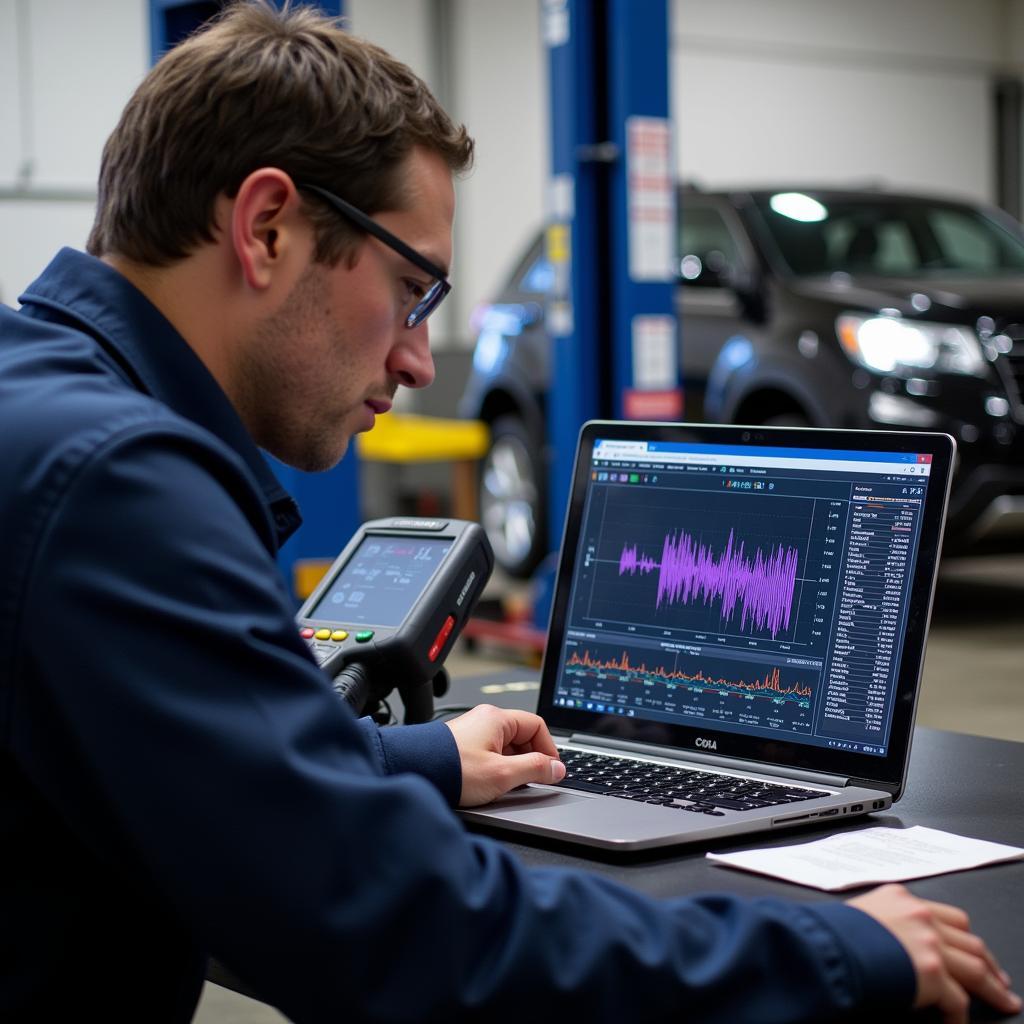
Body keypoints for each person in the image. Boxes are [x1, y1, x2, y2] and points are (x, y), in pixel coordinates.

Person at [0, 3, 1018, 1022]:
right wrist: (840, 950)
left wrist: (425, 754)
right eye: (411, 289)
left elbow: (201, 763)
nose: (414, 357)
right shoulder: (118, 482)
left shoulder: (38, 399)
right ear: (267, 228)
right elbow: (393, 928)